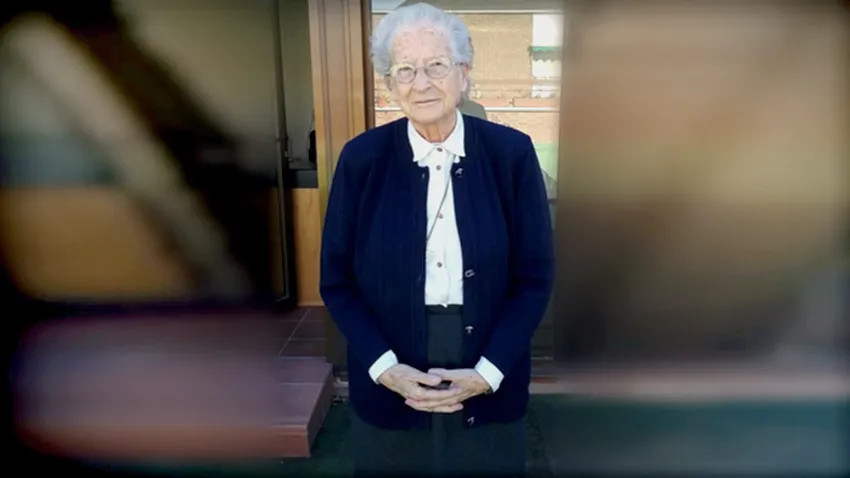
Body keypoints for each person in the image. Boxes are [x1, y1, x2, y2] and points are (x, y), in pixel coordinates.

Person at [320, 3, 554, 476]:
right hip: (390, 362)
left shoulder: (511, 154)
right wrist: (385, 369)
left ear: (463, 74)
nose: (421, 83)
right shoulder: (361, 159)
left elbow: (533, 278)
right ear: (390, 84)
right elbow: (338, 282)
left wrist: (488, 373)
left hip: (488, 357)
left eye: (436, 66)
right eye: (405, 70)